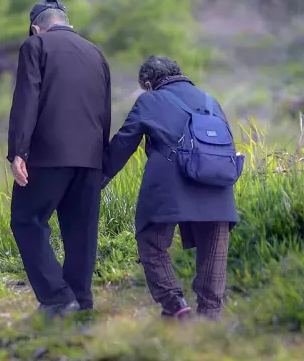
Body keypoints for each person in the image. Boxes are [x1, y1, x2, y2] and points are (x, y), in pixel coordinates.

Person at [102, 55, 239, 321]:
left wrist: (96, 180)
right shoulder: (210, 101)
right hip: (218, 182)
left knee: (151, 240)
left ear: (148, 84)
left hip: (169, 182)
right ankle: (210, 315)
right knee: (214, 245)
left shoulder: (150, 100)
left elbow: (123, 144)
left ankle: (175, 305)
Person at [6, 0, 112, 317]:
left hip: (48, 155)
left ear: (36, 28)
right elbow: (104, 110)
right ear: (66, 22)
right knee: (81, 230)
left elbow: (27, 99)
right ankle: (81, 302)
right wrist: (101, 158)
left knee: (27, 219)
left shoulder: (36, 45)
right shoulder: (95, 53)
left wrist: (18, 151)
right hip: (90, 157)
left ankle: (57, 298)